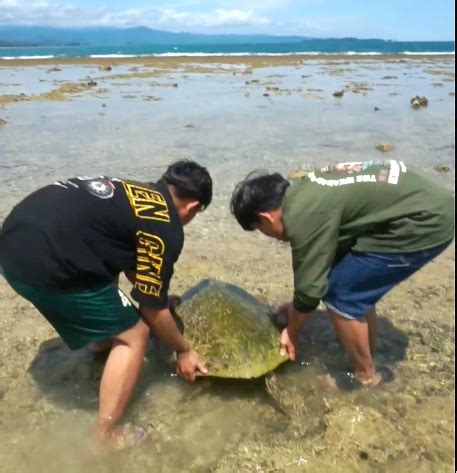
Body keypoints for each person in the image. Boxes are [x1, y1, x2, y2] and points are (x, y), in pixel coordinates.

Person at [0, 160, 212, 446]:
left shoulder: (135, 191)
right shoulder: (167, 228)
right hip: (45, 263)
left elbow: (125, 259)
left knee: (105, 270)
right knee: (136, 334)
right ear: (193, 207)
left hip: (12, 244)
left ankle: (100, 343)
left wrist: (155, 292)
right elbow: (152, 309)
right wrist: (183, 350)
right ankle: (105, 435)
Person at [230, 160, 454, 386]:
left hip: (427, 223)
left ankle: (365, 375)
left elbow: (310, 290)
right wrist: (297, 306)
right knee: (351, 281)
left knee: (342, 294)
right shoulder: (305, 191)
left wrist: (292, 329)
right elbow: (323, 264)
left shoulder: (302, 216)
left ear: (266, 217)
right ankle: (366, 350)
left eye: (261, 230)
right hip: (430, 204)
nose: (270, 236)